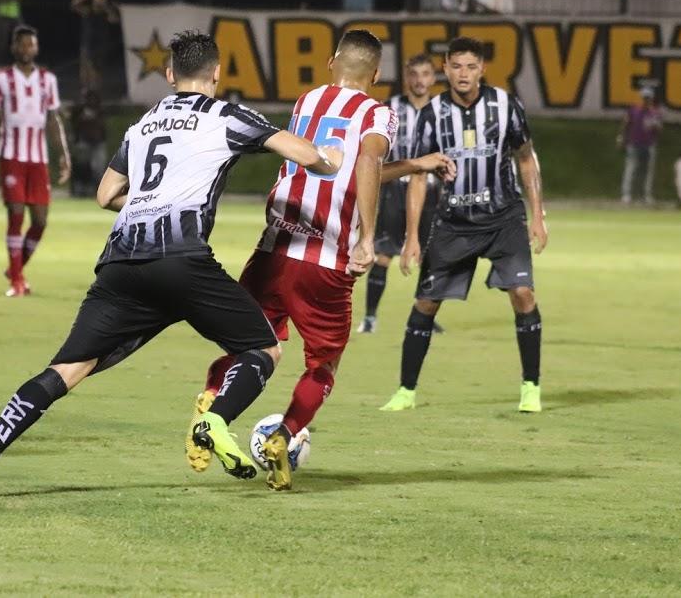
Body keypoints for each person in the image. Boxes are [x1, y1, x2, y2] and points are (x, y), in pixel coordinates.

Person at [0, 30, 345, 497]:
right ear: (217, 72)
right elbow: (306, 156)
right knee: (263, 348)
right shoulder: (227, 115)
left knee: (65, 371)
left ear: (170, 74)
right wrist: (331, 157)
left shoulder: (146, 122)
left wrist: (151, 204)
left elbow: (105, 195)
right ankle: (215, 421)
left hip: (119, 265)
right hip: (182, 262)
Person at [187, 31, 456, 491]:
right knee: (322, 367)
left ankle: (211, 401)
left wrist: (414, 165)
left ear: (332, 62)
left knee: (248, 345)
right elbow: (366, 163)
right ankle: (285, 436)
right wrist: (368, 238)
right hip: (326, 262)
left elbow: (341, 167)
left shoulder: (307, 102)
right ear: (376, 75)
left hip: (273, 249)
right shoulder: (378, 113)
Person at [380, 36, 548, 414]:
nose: (464, 74)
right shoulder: (433, 112)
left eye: (471, 67)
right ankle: (406, 391)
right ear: (446, 68)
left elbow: (525, 158)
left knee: (523, 294)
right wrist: (410, 238)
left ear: (482, 69)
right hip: (453, 222)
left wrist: (538, 215)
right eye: (456, 66)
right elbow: (418, 176)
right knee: (426, 302)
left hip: (504, 217)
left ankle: (530, 386)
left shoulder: (506, 105)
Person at [0, 26, 72, 297]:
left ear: (36, 48)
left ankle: (16, 267)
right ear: (14, 48)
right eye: (21, 45)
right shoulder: (1, 78)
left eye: (30, 45)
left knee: (41, 220)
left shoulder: (48, 80)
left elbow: (54, 119)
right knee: (16, 213)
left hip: (38, 159)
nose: (26, 49)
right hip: (11, 155)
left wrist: (63, 155)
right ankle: (17, 281)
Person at [359, 54, 445, 334]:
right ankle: (370, 317)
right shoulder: (391, 109)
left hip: (431, 190)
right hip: (396, 189)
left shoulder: (443, 111)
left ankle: (425, 318)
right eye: (414, 74)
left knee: (431, 254)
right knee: (384, 253)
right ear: (407, 77)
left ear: (432, 78)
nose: (420, 80)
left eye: (425, 74)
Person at [618, 85, 662, 205]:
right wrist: (622, 138)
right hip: (634, 143)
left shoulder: (655, 112)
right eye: (644, 97)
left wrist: (656, 127)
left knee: (647, 172)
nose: (646, 99)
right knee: (631, 169)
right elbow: (626, 123)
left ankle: (645, 195)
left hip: (649, 144)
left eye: (648, 97)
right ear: (641, 98)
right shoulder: (634, 110)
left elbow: (659, 130)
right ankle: (626, 194)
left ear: (651, 98)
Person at [71, 0, 120, 94]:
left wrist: (107, 7)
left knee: (97, 70)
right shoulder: (88, 10)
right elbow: (74, 5)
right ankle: (85, 91)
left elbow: (114, 19)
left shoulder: (106, 12)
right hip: (87, 44)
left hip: (100, 45)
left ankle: (95, 93)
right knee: (86, 70)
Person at [68, 89, 108, 197]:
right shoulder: (79, 110)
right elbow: (73, 124)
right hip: (83, 142)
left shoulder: (99, 110)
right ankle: (81, 189)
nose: (91, 101)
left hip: (98, 142)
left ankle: (99, 191)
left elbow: (103, 127)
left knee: (98, 168)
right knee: (82, 167)